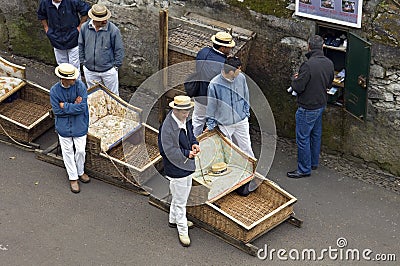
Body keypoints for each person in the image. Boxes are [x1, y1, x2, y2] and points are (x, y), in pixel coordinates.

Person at [287, 35, 334, 179]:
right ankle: (313, 162)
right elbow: (329, 83)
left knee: (303, 137)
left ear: (309, 47)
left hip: (308, 106)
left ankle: (304, 169)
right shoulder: (329, 63)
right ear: (323, 46)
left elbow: (299, 87)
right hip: (320, 104)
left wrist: (295, 79)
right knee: (315, 134)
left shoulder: (307, 65)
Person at [158, 95, 201, 247]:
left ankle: (173, 219)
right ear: (175, 110)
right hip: (176, 169)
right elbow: (166, 151)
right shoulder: (166, 127)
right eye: (184, 111)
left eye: (188, 110)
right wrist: (186, 153)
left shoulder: (185, 120)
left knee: (179, 195)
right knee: (182, 201)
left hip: (186, 166)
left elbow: (191, 135)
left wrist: (194, 143)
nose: (187, 114)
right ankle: (182, 230)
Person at [50, 63, 90, 193]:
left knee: (80, 151)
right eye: (72, 78)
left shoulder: (80, 86)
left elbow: (82, 107)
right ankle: (73, 178)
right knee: (67, 152)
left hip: (80, 125)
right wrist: (73, 105)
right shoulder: (54, 91)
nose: (75, 80)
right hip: (63, 127)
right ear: (64, 79)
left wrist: (65, 106)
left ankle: (80, 171)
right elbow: (57, 111)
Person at [205, 56, 254, 158]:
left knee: (246, 147)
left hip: (241, 121)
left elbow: (246, 96)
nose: (240, 71)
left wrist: (246, 113)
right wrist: (210, 125)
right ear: (231, 71)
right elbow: (211, 106)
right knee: (227, 150)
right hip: (225, 124)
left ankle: (250, 169)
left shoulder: (241, 78)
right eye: (238, 69)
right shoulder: (214, 84)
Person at [192, 31, 235, 137]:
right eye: (229, 47)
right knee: (215, 124)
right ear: (222, 48)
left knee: (197, 120)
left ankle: (193, 141)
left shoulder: (203, 51)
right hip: (213, 99)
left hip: (198, 93)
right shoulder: (224, 63)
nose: (230, 50)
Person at [37, 0, 90, 80]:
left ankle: (77, 86)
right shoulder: (45, 2)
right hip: (56, 38)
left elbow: (85, 10)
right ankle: (65, 86)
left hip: (73, 38)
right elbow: (41, 14)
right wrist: (46, 28)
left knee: (74, 66)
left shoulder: (72, 1)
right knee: (61, 66)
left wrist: (80, 26)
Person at [78, 4, 124, 95]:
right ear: (94, 19)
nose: (104, 21)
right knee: (94, 96)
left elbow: (119, 50)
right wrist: (83, 62)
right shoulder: (84, 28)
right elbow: (80, 45)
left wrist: (115, 67)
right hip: (90, 70)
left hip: (108, 71)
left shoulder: (113, 30)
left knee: (113, 96)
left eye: (105, 18)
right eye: (101, 19)